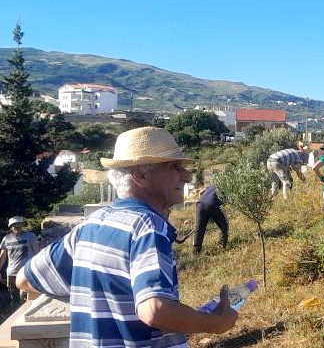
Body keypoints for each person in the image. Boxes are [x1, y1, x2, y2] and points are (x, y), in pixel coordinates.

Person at [17, 126, 237, 347]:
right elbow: (154, 311)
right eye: (174, 166)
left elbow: (24, 279)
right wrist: (215, 323)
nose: (187, 176)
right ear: (140, 175)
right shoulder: (148, 227)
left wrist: (97, 293)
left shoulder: (91, 224)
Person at [0, 216, 38, 306]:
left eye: (19, 224)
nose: (16, 226)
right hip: (12, 272)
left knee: (26, 296)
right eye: (14, 225)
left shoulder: (30, 236)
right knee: (14, 297)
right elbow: (3, 256)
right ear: (10, 227)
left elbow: (36, 252)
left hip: (26, 271)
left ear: (22, 225)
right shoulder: (6, 239)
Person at [193, 181, 229, 253]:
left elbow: (201, 192)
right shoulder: (227, 185)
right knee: (224, 225)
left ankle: (196, 251)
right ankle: (221, 246)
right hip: (213, 204)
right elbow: (225, 203)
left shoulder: (213, 185)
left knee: (199, 228)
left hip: (200, 204)